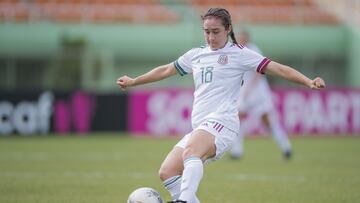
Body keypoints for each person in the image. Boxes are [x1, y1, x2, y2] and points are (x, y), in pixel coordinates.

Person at [117, 8, 325, 203]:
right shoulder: (196, 55)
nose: (210, 37)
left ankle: (185, 200)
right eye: (206, 32)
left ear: (228, 29)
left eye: (215, 31)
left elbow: (277, 69)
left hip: (223, 122)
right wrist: (134, 81)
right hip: (200, 126)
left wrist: (308, 81)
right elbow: (165, 70)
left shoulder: (240, 53)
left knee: (191, 153)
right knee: (168, 171)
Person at [230, 30, 292, 160]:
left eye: (243, 37)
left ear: (247, 38)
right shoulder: (234, 51)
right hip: (244, 93)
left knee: (267, 121)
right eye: (239, 37)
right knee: (236, 120)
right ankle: (237, 151)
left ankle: (285, 147)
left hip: (258, 92)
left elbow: (260, 71)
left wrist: (250, 87)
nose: (241, 39)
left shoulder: (253, 50)